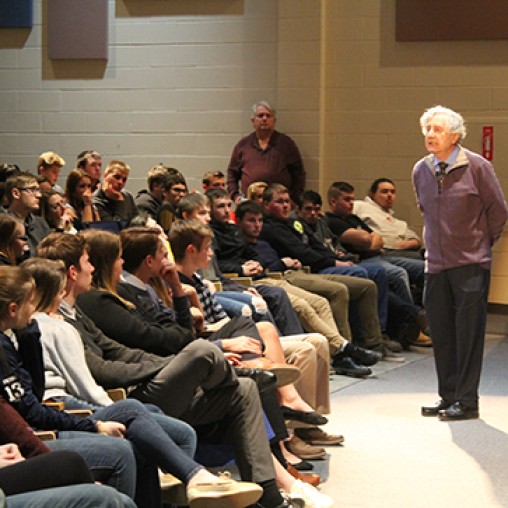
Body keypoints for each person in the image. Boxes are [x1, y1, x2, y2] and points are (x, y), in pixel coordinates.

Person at [21, 257, 264, 508]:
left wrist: (169, 357)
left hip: (87, 397)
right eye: (88, 261)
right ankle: (195, 475)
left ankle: (187, 487)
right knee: (139, 410)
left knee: (180, 429)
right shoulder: (54, 326)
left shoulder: (68, 319)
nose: (93, 267)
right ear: (59, 288)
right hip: (68, 404)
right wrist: (108, 411)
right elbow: (83, 382)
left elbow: (126, 349)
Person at [414, 106, 507, 421]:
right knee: (441, 332)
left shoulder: (478, 167)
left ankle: (467, 402)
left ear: (454, 136)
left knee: (467, 334)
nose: (430, 134)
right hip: (436, 265)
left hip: (470, 264)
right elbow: (425, 211)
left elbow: (498, 211)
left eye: (437, 129)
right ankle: (448, 396)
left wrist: (480, 245)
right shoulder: (421, 170)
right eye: (427, 128)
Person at [236, 199, 381, 378]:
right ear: (239, 222)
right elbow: (260, 266)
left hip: (285, 275)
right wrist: (279, 263)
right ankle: (344, 350)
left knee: (320, 302)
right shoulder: (240, 243)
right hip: (266, 280)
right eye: (251, 221)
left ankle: (342, 353)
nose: (257, 225)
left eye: (259, 221)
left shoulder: (263, 242)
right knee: (306, 305)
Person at [227, 101, 306, 204]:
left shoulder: (286, 144)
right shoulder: (243, 145)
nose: (264, 119)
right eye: (260, 116)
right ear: (253, 121)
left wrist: (294, 198)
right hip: (251, 203)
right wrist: (235, 195)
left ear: (274, 121)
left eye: (268, 116)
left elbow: (298, 173)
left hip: (280, 204)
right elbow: (232, 173)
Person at [353, 178, 423, 259]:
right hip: (381, 252)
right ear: (372, 194)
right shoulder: (360, 206)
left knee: (429, 256)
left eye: (392, 192)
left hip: (403, 251)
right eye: (384, 191)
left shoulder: (398, 223)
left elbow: (416, 240)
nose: (389, 195)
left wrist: (407, 244)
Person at [4, 172, 51, 256]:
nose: (39, 195)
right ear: (16, 193)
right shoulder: (4, 225)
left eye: (38, 190)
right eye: (33, 190)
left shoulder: (40, 223)